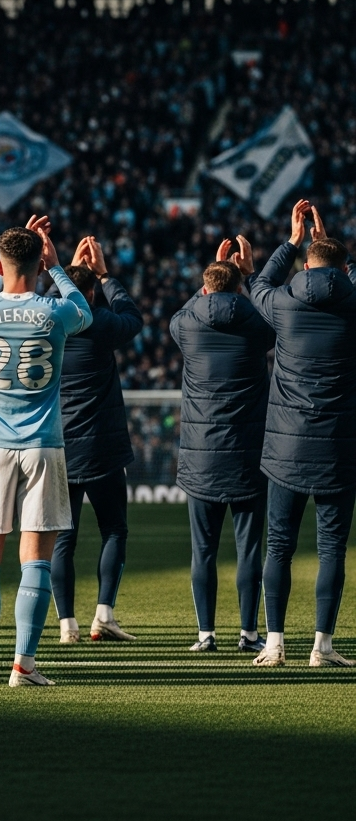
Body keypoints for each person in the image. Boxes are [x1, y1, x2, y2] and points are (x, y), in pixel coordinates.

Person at [0, 217, 92, 687]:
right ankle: (23, 666)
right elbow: (84, 310)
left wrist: (14, 270)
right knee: (35, 557)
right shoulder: (55, 312)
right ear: (40, 264)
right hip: (42, 446)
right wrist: (56, 268)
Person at [248, 199, 356, 667]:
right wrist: (323, 243)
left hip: (286, 446)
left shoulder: (284, 304)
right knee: (332, 548)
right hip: (339, 447)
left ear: (306, 263)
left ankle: (274, 643)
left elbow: (258, 283)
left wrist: (292, 241)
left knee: (279, 546)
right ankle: (322, 646)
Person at [170, 236, 274, 653]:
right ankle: (249, 635)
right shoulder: (257, 325)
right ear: (238, 288)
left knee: (203, 551)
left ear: (206, 286)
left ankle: (205, 635)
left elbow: (183, 310)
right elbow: (270, 313)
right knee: (250, 550)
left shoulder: (186, 324)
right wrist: (247, 276)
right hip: (249, 454)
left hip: (200, 455)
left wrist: (212, 279)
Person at [48, 236, 143, 644]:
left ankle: (66, 623)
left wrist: (61, 274)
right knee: (115, 531)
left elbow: (54, 303)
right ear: (91, 294)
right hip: (101, 449)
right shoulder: (100, 323)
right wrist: (103, 274)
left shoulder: (48, 321)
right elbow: (132, 318)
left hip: (58, 446)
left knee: (62, 539)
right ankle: (103, 614)